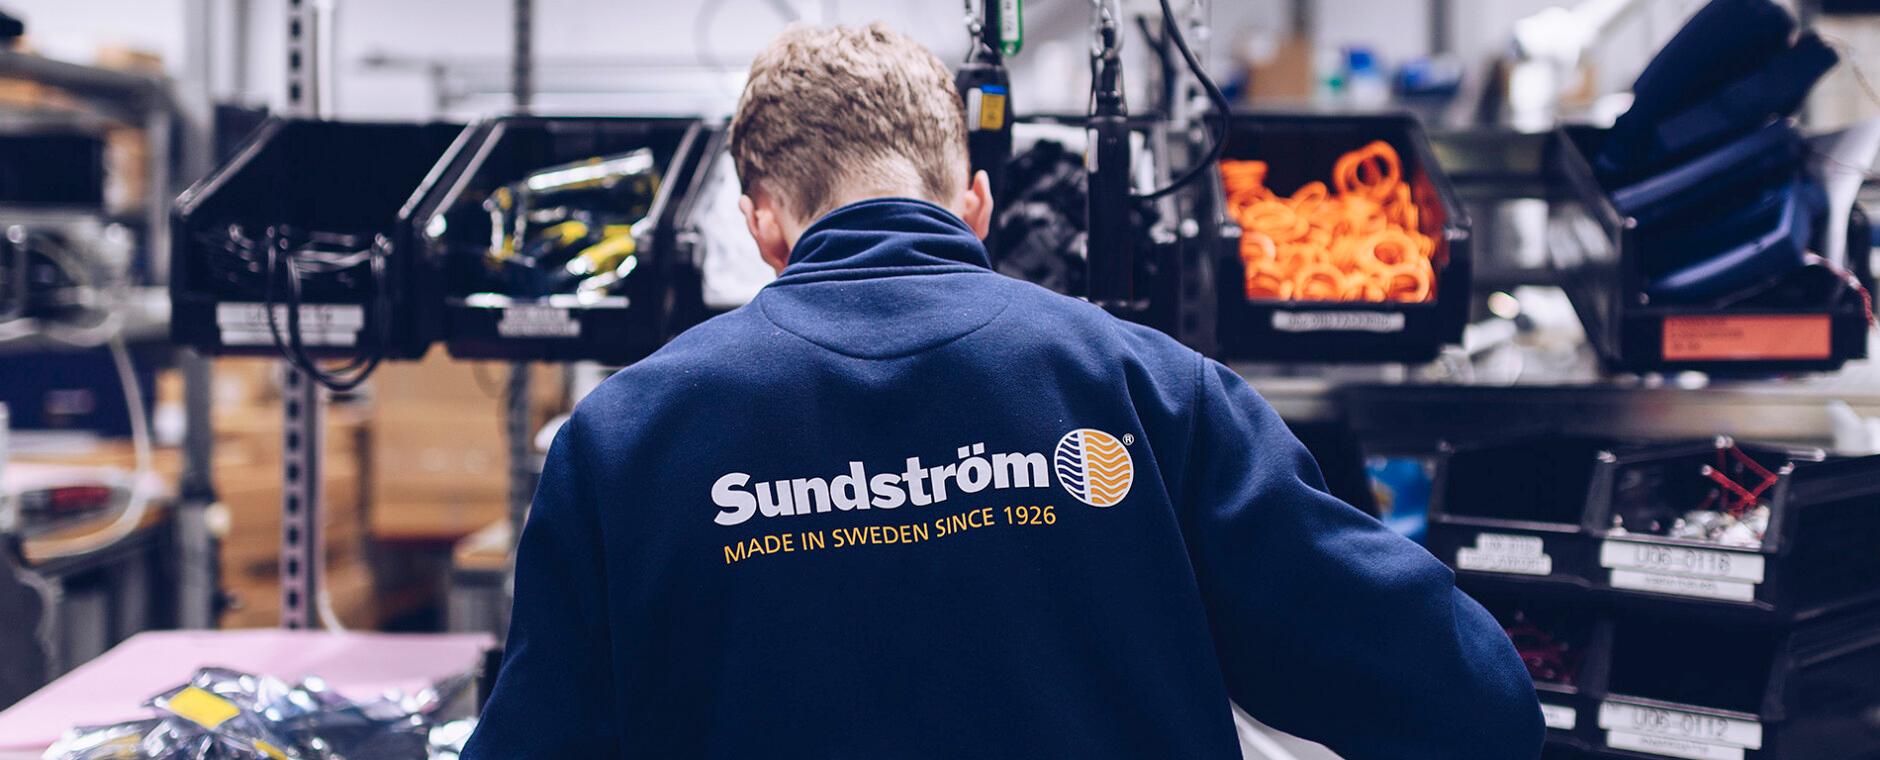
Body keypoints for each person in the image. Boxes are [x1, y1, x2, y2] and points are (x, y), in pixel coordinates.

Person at [464, 22, 1542, 760]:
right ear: (973, 199)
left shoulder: (620, 439)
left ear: (762, 226)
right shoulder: (1151, 391)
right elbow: (1467, 698)